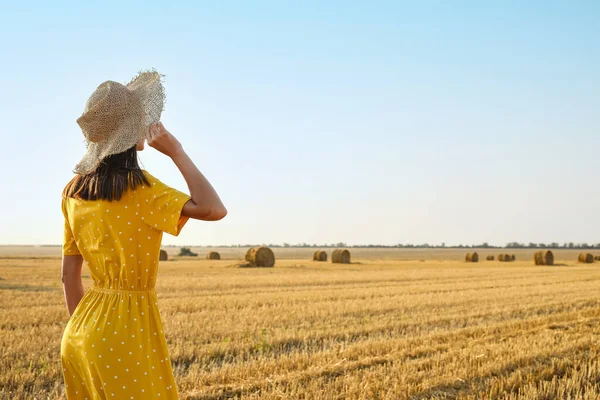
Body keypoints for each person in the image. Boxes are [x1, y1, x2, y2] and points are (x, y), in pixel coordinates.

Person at [60, 70, 226, 399]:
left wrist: (85, 332)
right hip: (126, 333)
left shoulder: (72, 192)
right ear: (131, 131)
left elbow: (69, 278)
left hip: (79, 333)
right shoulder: (143, 191)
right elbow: (213, 208)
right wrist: (176, 150)